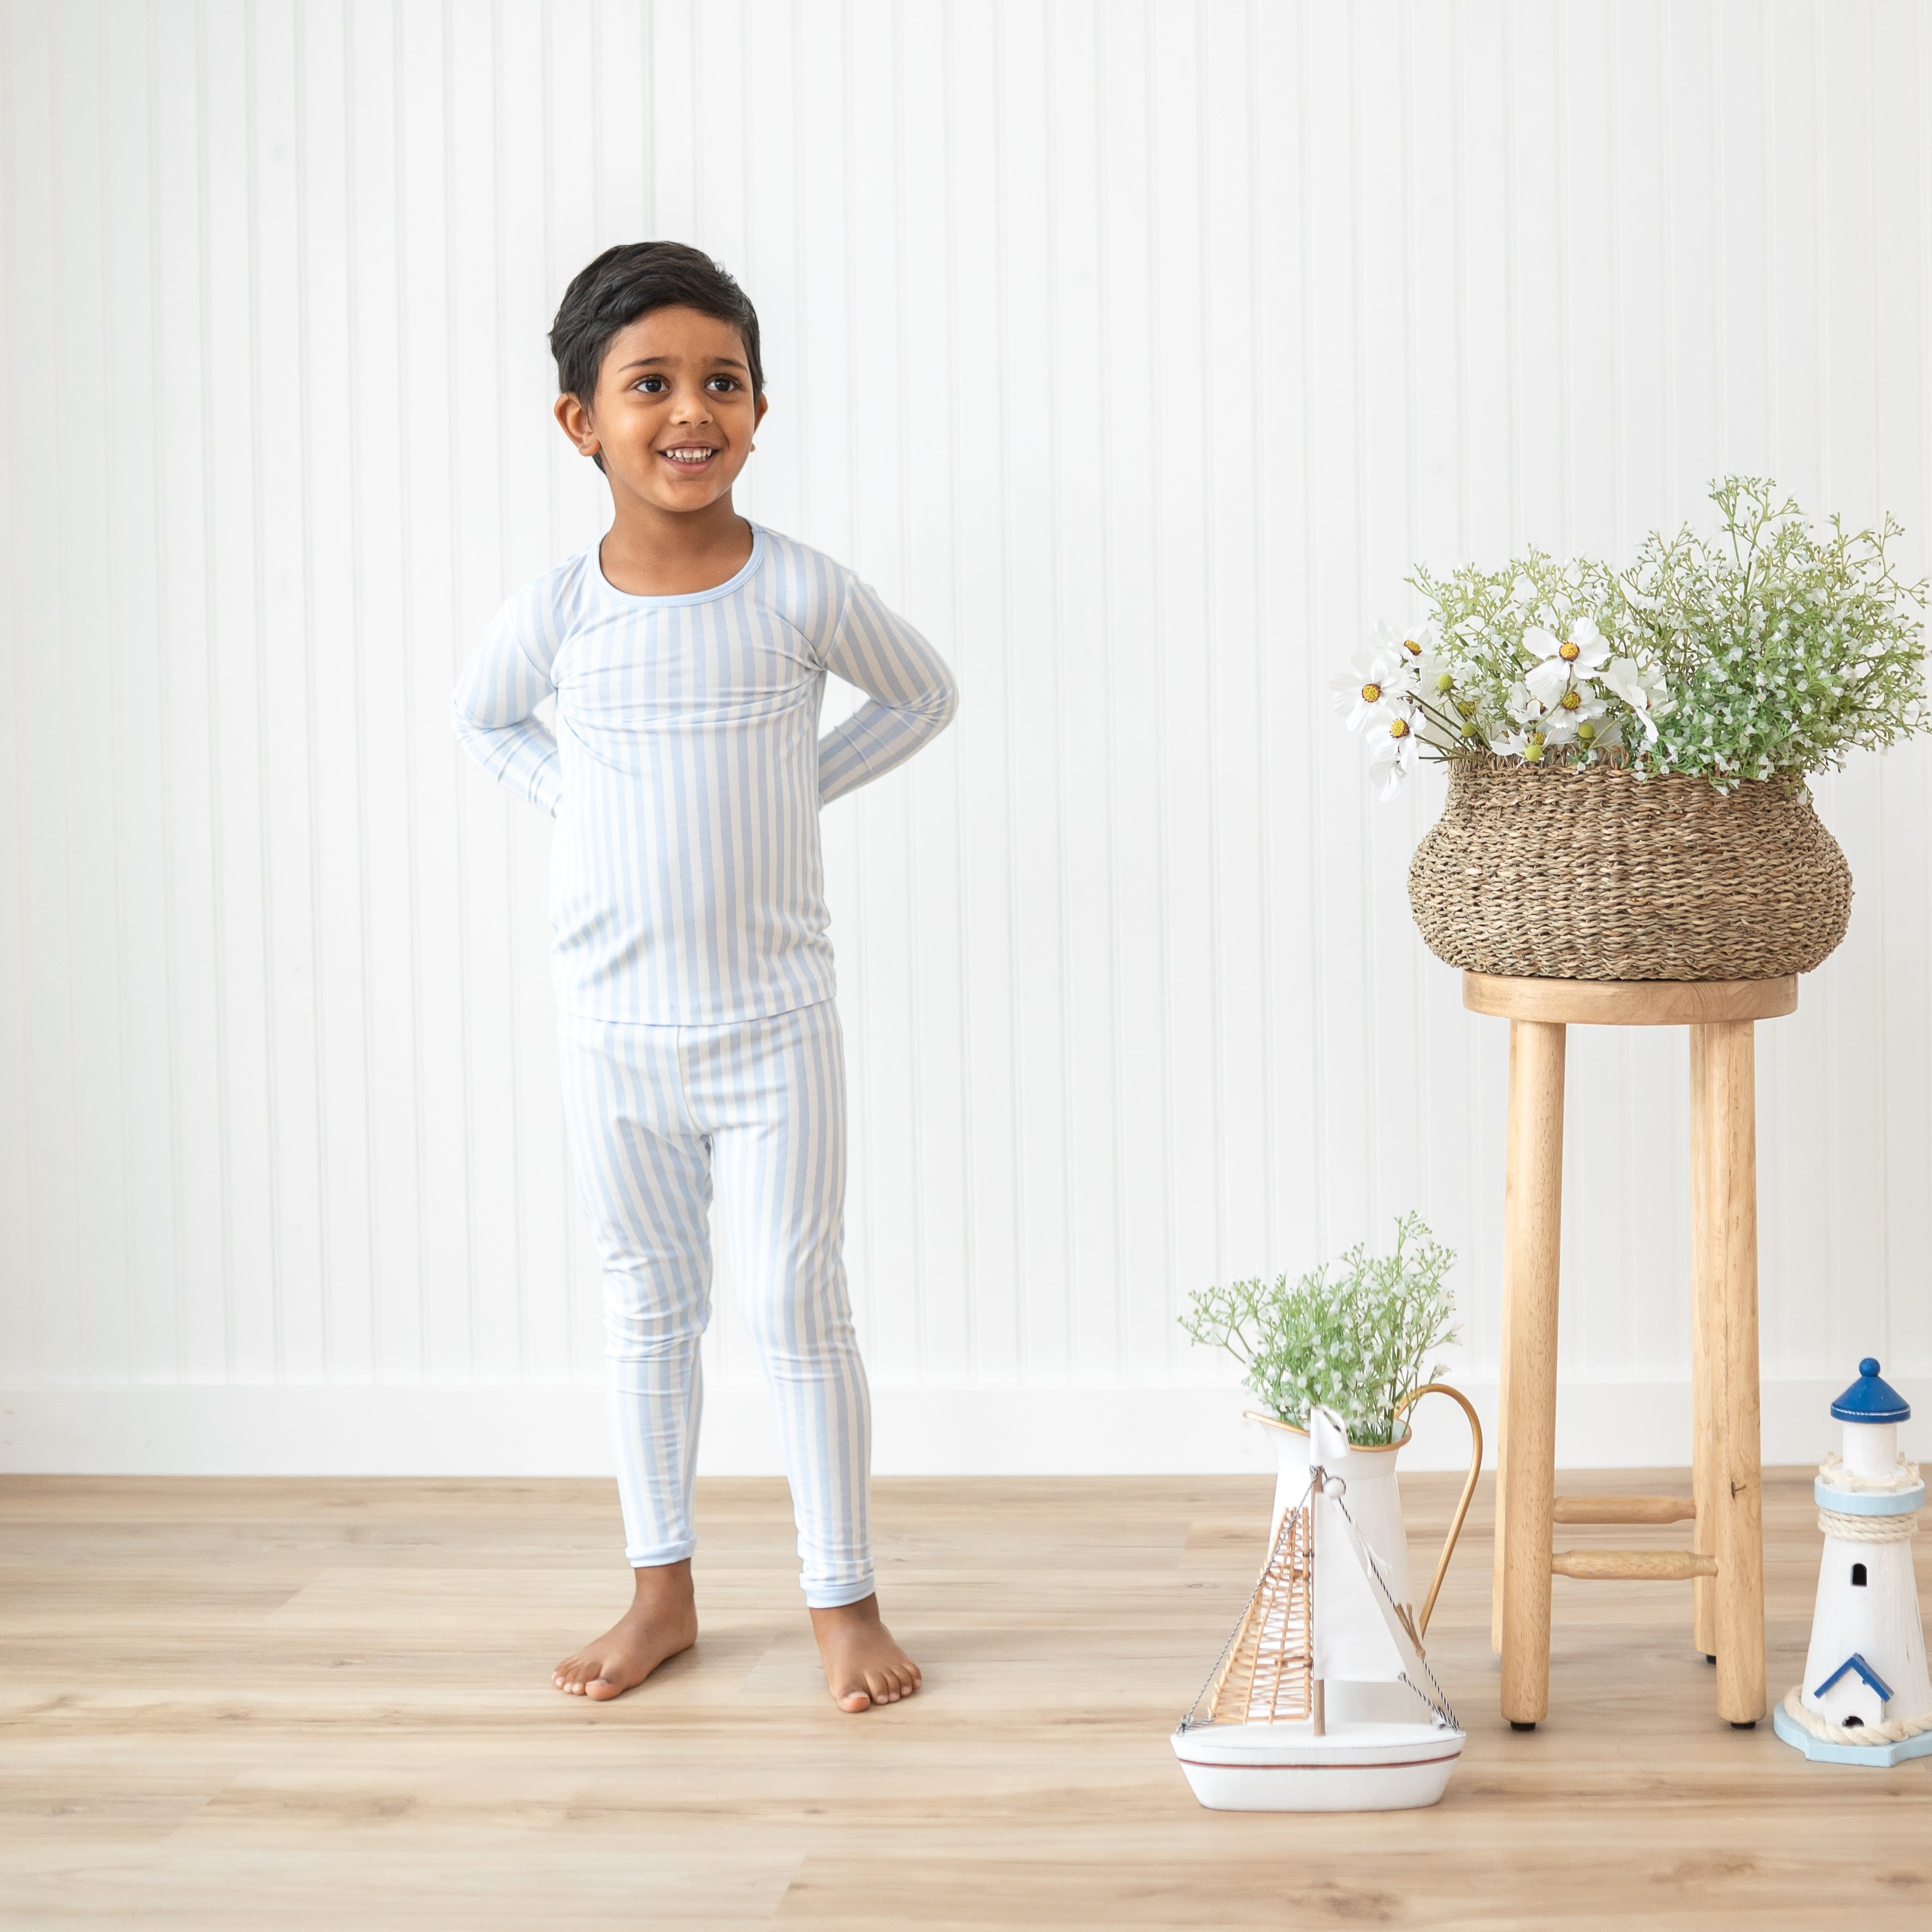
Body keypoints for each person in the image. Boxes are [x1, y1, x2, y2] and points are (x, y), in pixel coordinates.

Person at [450, 241, 956, 1710]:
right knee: (644, 1301)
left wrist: (797, 781)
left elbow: (923, 690)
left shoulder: (797, 591)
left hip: (773, 1024)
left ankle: (840, 1598)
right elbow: (483, 722)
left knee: (797, 1299)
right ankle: (658, 1589)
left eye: (719, 381)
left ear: (759, 404)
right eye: (650, 384)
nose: (690, 411)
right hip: (611, 1029)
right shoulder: (558, 612)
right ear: (580, 422)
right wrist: (588, 806)